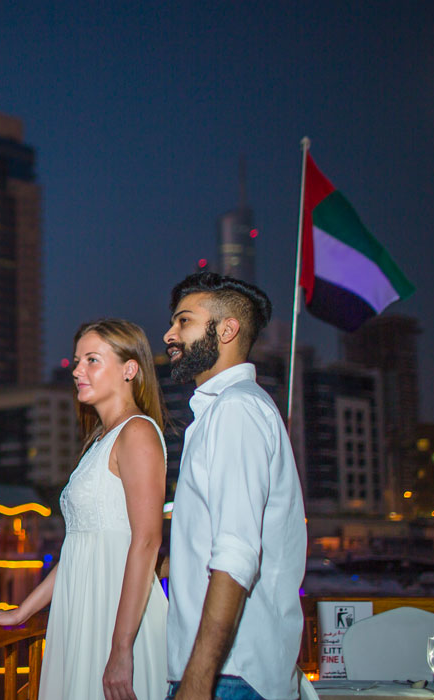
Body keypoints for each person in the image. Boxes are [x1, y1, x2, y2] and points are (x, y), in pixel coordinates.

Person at [0, 319, 169, 700]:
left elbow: (146, 542)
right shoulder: (100, 442)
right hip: (83, 609)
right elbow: (80, 547)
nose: (77, 371)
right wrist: (21, 612)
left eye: (92, 360)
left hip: (117, 614)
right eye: (77, 361)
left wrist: (121, 648)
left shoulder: (137, 432)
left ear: (129, 369)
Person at [162, 272, 306, 700]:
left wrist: (199, 677)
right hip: (227, 675)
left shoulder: (236, 410)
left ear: (227, 329)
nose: (169, 334)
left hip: (231, 676)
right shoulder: (222, 412)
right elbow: (207, 550)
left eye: (183, 321)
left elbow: (237, 554)